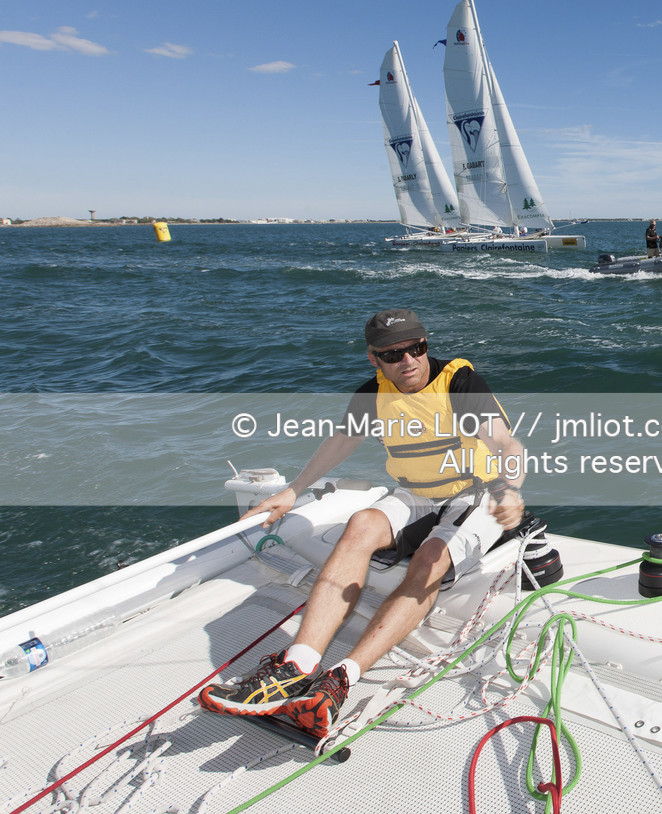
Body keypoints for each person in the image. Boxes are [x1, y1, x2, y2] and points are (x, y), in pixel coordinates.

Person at [199, 310, 527, 737]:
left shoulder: (459, 383)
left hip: (478, 491)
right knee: (361, 524)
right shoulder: (373, 394)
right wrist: (294, 490)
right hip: (417, 493)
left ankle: (341, 680)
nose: (407, 360)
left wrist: (510, 489)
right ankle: (296, 667)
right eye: (393, 354)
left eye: (417, 348)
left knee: (430, 558)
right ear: (375, 359)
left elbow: (503, 441)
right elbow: (341, 441)